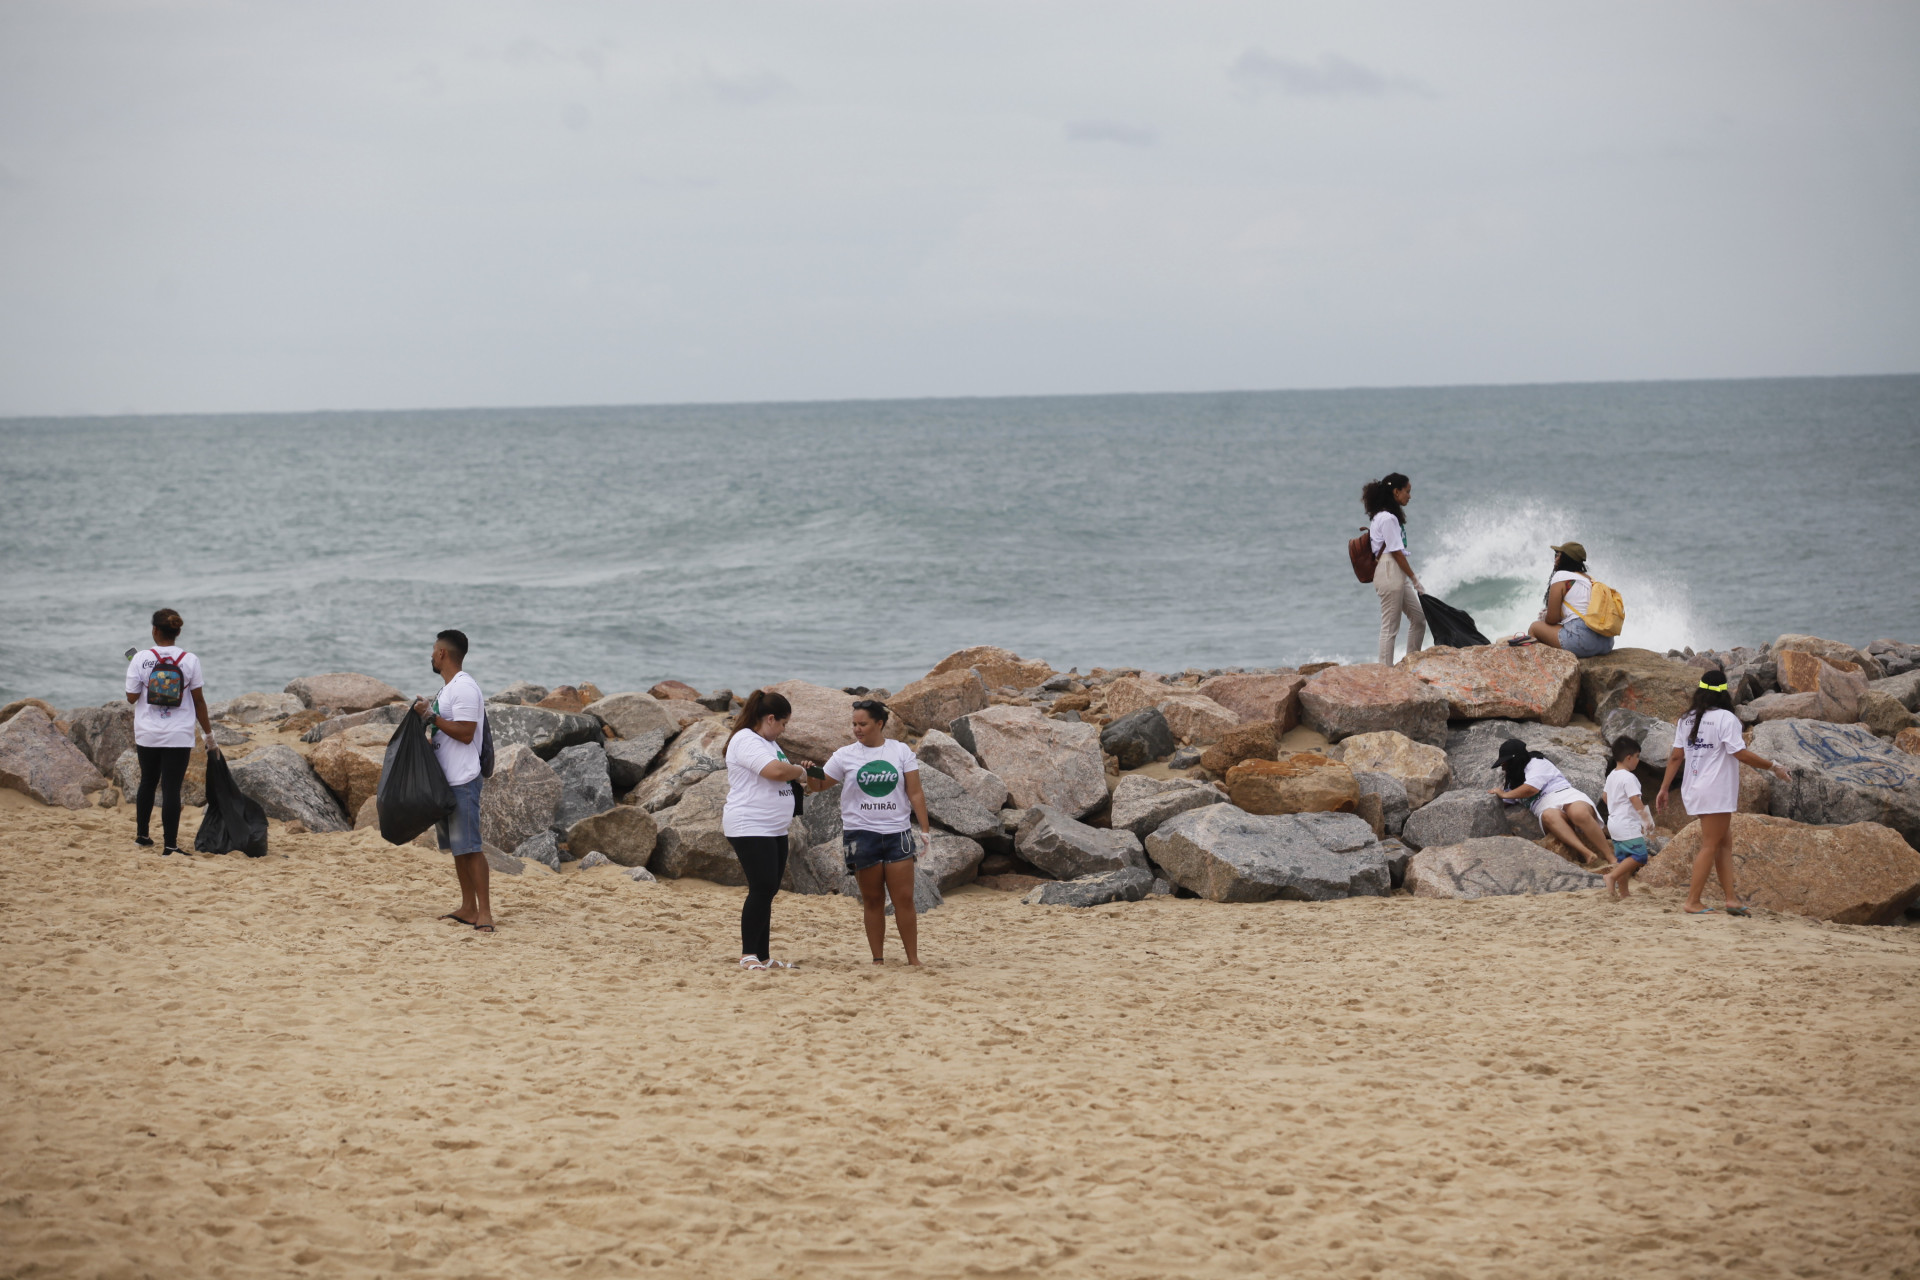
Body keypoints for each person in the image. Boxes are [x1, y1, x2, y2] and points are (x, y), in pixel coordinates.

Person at [1656, 670, 1793, 916]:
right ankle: (1692, 901)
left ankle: (1731, 898)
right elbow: (1739, 753)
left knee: (1723, 843)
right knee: (1710, 844)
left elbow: (1677, 756)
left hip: (1695, 788)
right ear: (1724, 692)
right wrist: (1773, 767)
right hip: (1715, 791)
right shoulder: (1726, 718)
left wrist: (1664, 788)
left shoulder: (1686, 718)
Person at [814, 699, 930, 966]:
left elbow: (915, 792)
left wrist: (924, 829)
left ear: (880, 724)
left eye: (863, 724)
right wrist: (809, 773)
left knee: (904, 899)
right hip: (860, 835)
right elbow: (819, 785)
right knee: (873, 899)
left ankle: (913, 959)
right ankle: (878, 959)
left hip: (897, 834)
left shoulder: (901, 751)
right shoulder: (845, 755)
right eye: (854, 724)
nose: (857, 729)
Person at [723, 689, 810, 970]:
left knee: (768, 889)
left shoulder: (769, 743)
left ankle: (763, 956)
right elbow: (774, 772)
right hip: (750, 824)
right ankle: (748, 954)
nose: (784, 730)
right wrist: (798, 770)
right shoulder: (746, 739)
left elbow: (781, 774)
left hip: (774, 828)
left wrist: (796, 773)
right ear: (770, 718)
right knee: (760, 887)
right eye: (783, 724)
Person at [412, 629, 491, 933]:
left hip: (464, 778)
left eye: (434, 650)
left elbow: (466, 732)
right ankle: (468, 907)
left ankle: (484, 912)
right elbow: (445, 730)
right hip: (446, 780)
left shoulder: (465, 688)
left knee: (470, 847)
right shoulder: (447, 690)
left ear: (443, 654)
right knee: (458, 848)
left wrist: (431, 718)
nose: (431, 654)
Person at [123, 608, 215, 856]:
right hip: (178, 734)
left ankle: (142, 836)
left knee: (147, 782)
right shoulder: (189, 660)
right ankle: (170, 846)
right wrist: (208, 735)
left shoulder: (140, 658)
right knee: (172, 788)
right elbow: (199, 701)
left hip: (147, 733)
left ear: (154, 630)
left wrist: (141, 678)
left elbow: (131, 698)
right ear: (177, 632)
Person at [1488, 738, 1611, 865]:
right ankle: (1586, 853)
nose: (1503, 767)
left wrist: (1504, 794)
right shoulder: (1512, 782)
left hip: (1564, 793)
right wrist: (1495, 798)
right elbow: (1507, 800)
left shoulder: (1536, 762)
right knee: (1549, 815)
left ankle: (1610, 857)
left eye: (1506, 763)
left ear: (1515, 760)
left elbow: (1531, 788)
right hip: (1545, 807)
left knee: (1578, 813)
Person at [1362, 473, 1425, 665]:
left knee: (1419, 618)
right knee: (1390, 626)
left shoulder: (1385, 516)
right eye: (1407, 491)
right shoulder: (1387, 518)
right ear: (1396, 492)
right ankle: (1385, 672)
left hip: (1394, 571)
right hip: (1389, 570)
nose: (1409, 496)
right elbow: (1396, 552)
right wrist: (1414, 578)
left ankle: (1411, 662)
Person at [1521, 541, 1614, 658]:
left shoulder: (1561, 577)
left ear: (1565, 559)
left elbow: (1551, 620)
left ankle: (1541, 670)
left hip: (1583, 642)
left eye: (1557, 555)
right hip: (1606, 643)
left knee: (1535, 627)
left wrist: (1545, 617)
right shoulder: (1589, 580)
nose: (1555, 559)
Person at [1600, 736, 1655, 898]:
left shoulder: (1612, 775)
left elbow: (1605, 796)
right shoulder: (1629, 778)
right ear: (1628, 757)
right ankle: (1611, 877)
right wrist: (1646, 819)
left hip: (1614, 823)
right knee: (1640, 856)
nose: (1638, 761)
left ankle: (1624, 893)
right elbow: (1634, 799)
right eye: (1637, 757)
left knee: (1623, 858)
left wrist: (1615, 806)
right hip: (1627, 824)